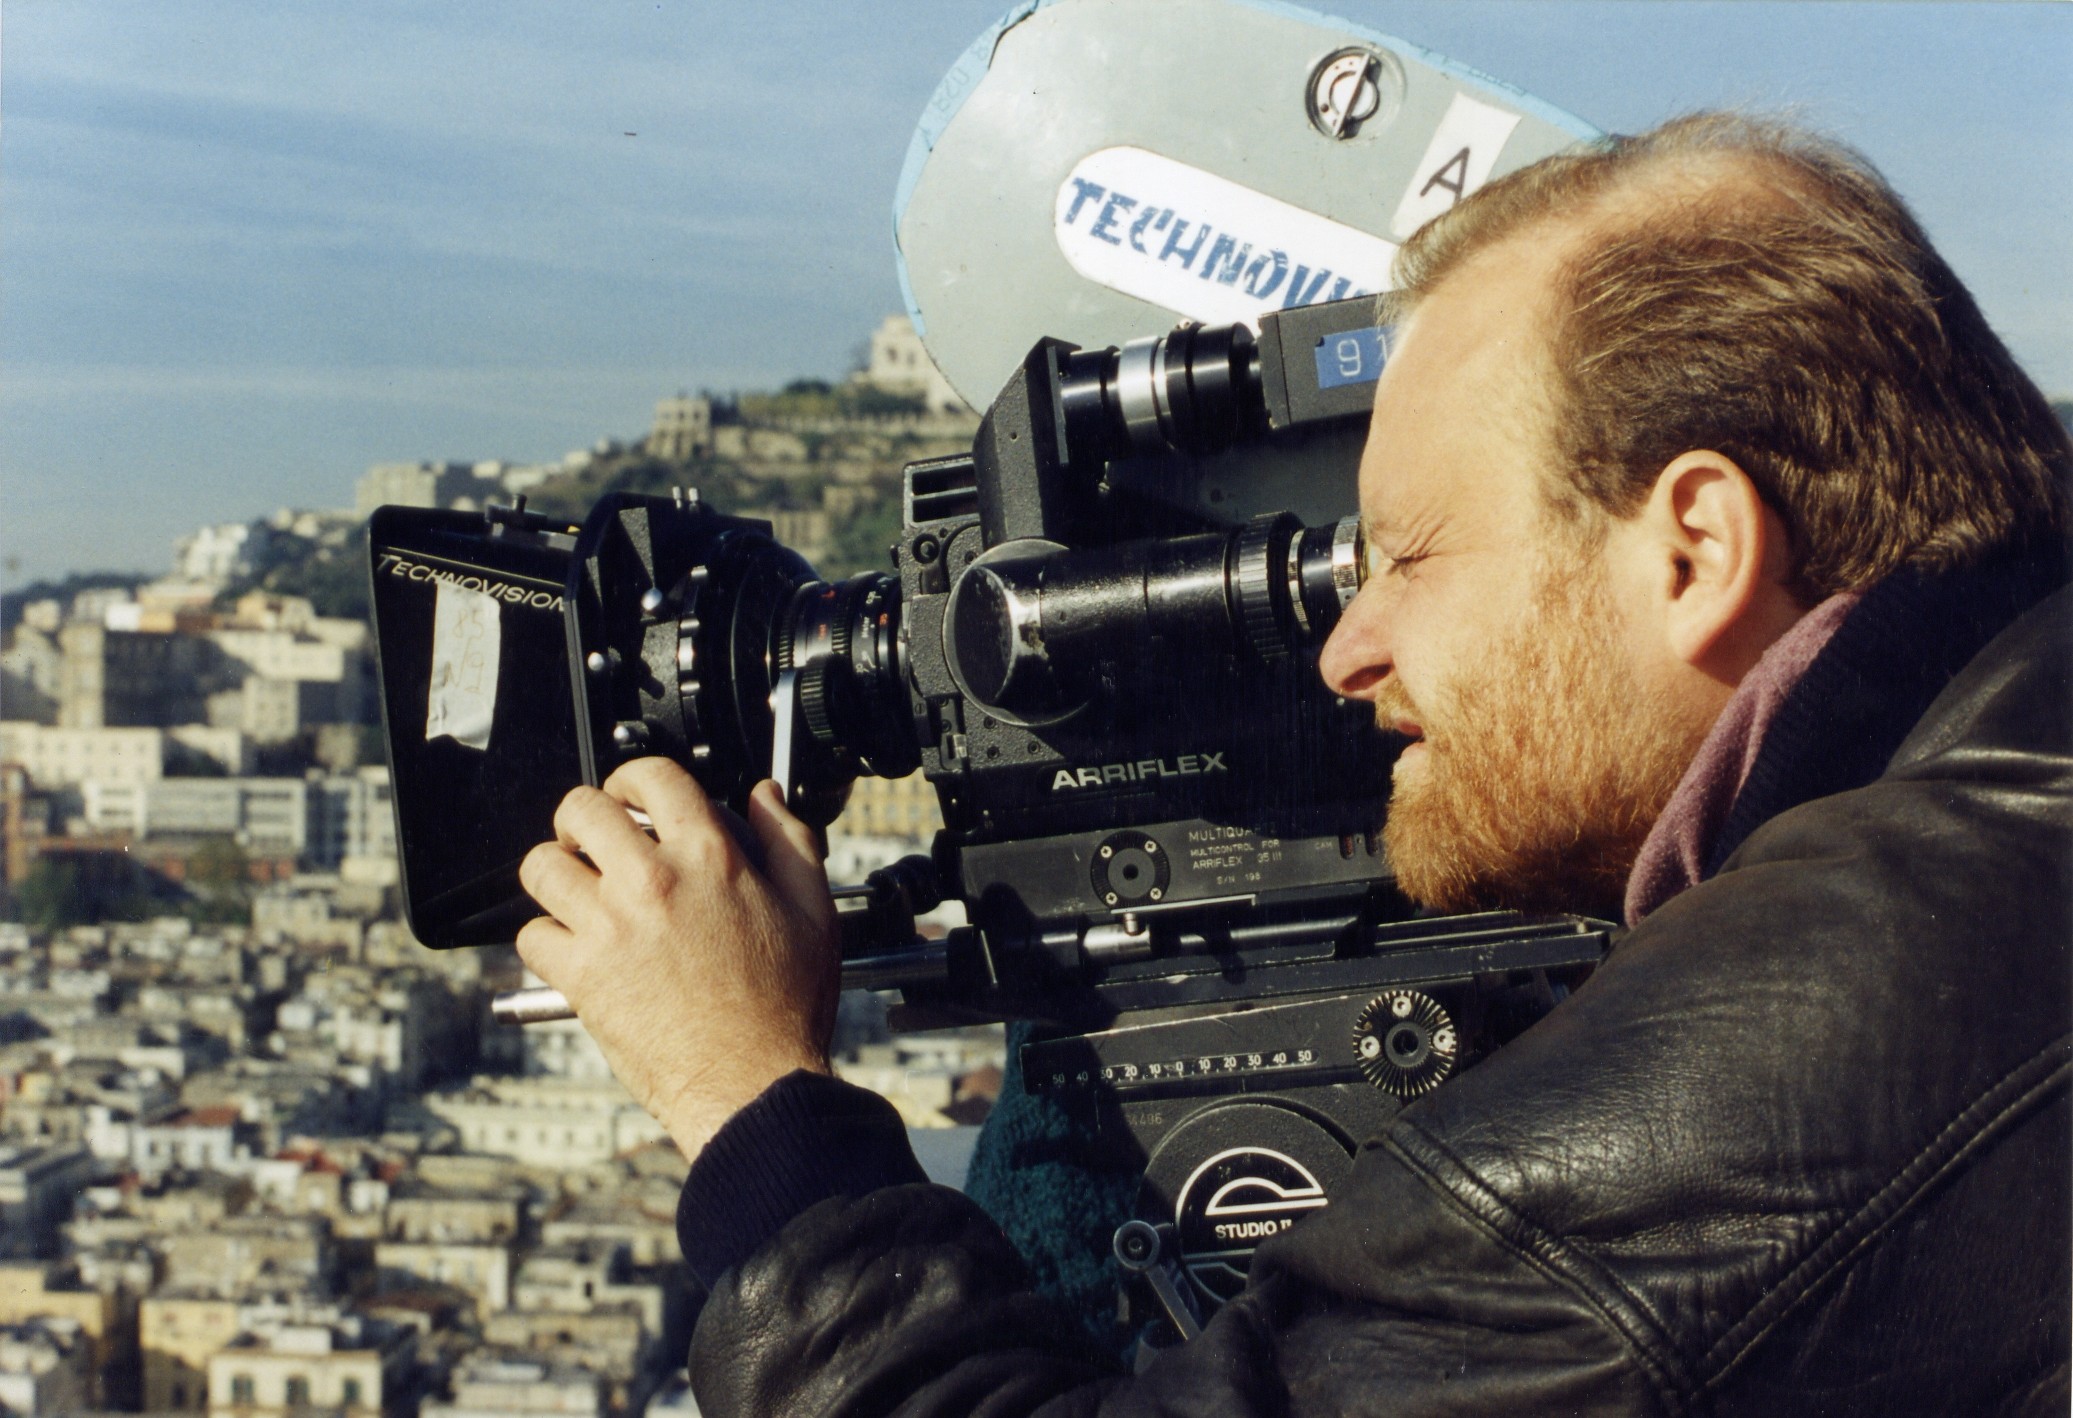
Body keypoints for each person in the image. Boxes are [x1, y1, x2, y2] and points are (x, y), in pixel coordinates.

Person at [513, 113, 2072, 1415]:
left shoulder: (1803, 1043)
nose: (1343, 651)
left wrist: (748, 1098)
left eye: (1407, 558)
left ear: (1694, 548)